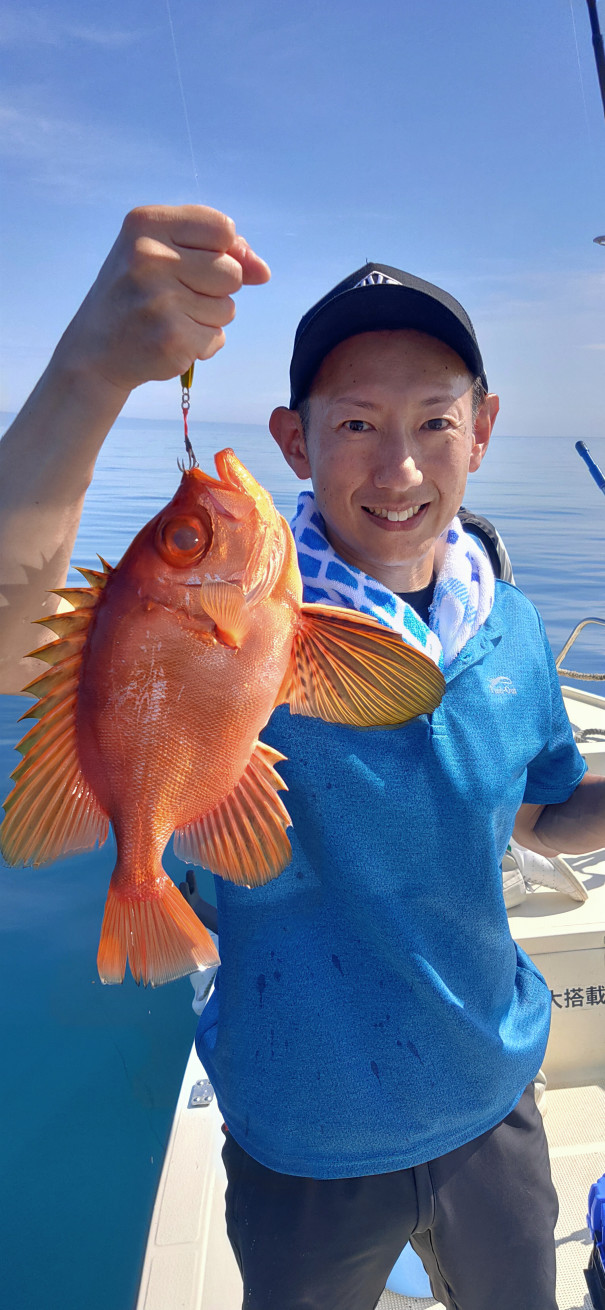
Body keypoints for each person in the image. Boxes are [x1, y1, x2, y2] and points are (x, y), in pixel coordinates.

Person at [1, 206, 604, 1310]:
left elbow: (546, 813)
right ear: (295, 441)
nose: (400, 463)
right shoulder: (256, 628)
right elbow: (7, 634)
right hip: (302, 1142)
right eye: (357, 424)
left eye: (433, 420)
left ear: (483, 429)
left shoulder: (512, 627)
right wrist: (89, 373)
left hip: (492, 1101)